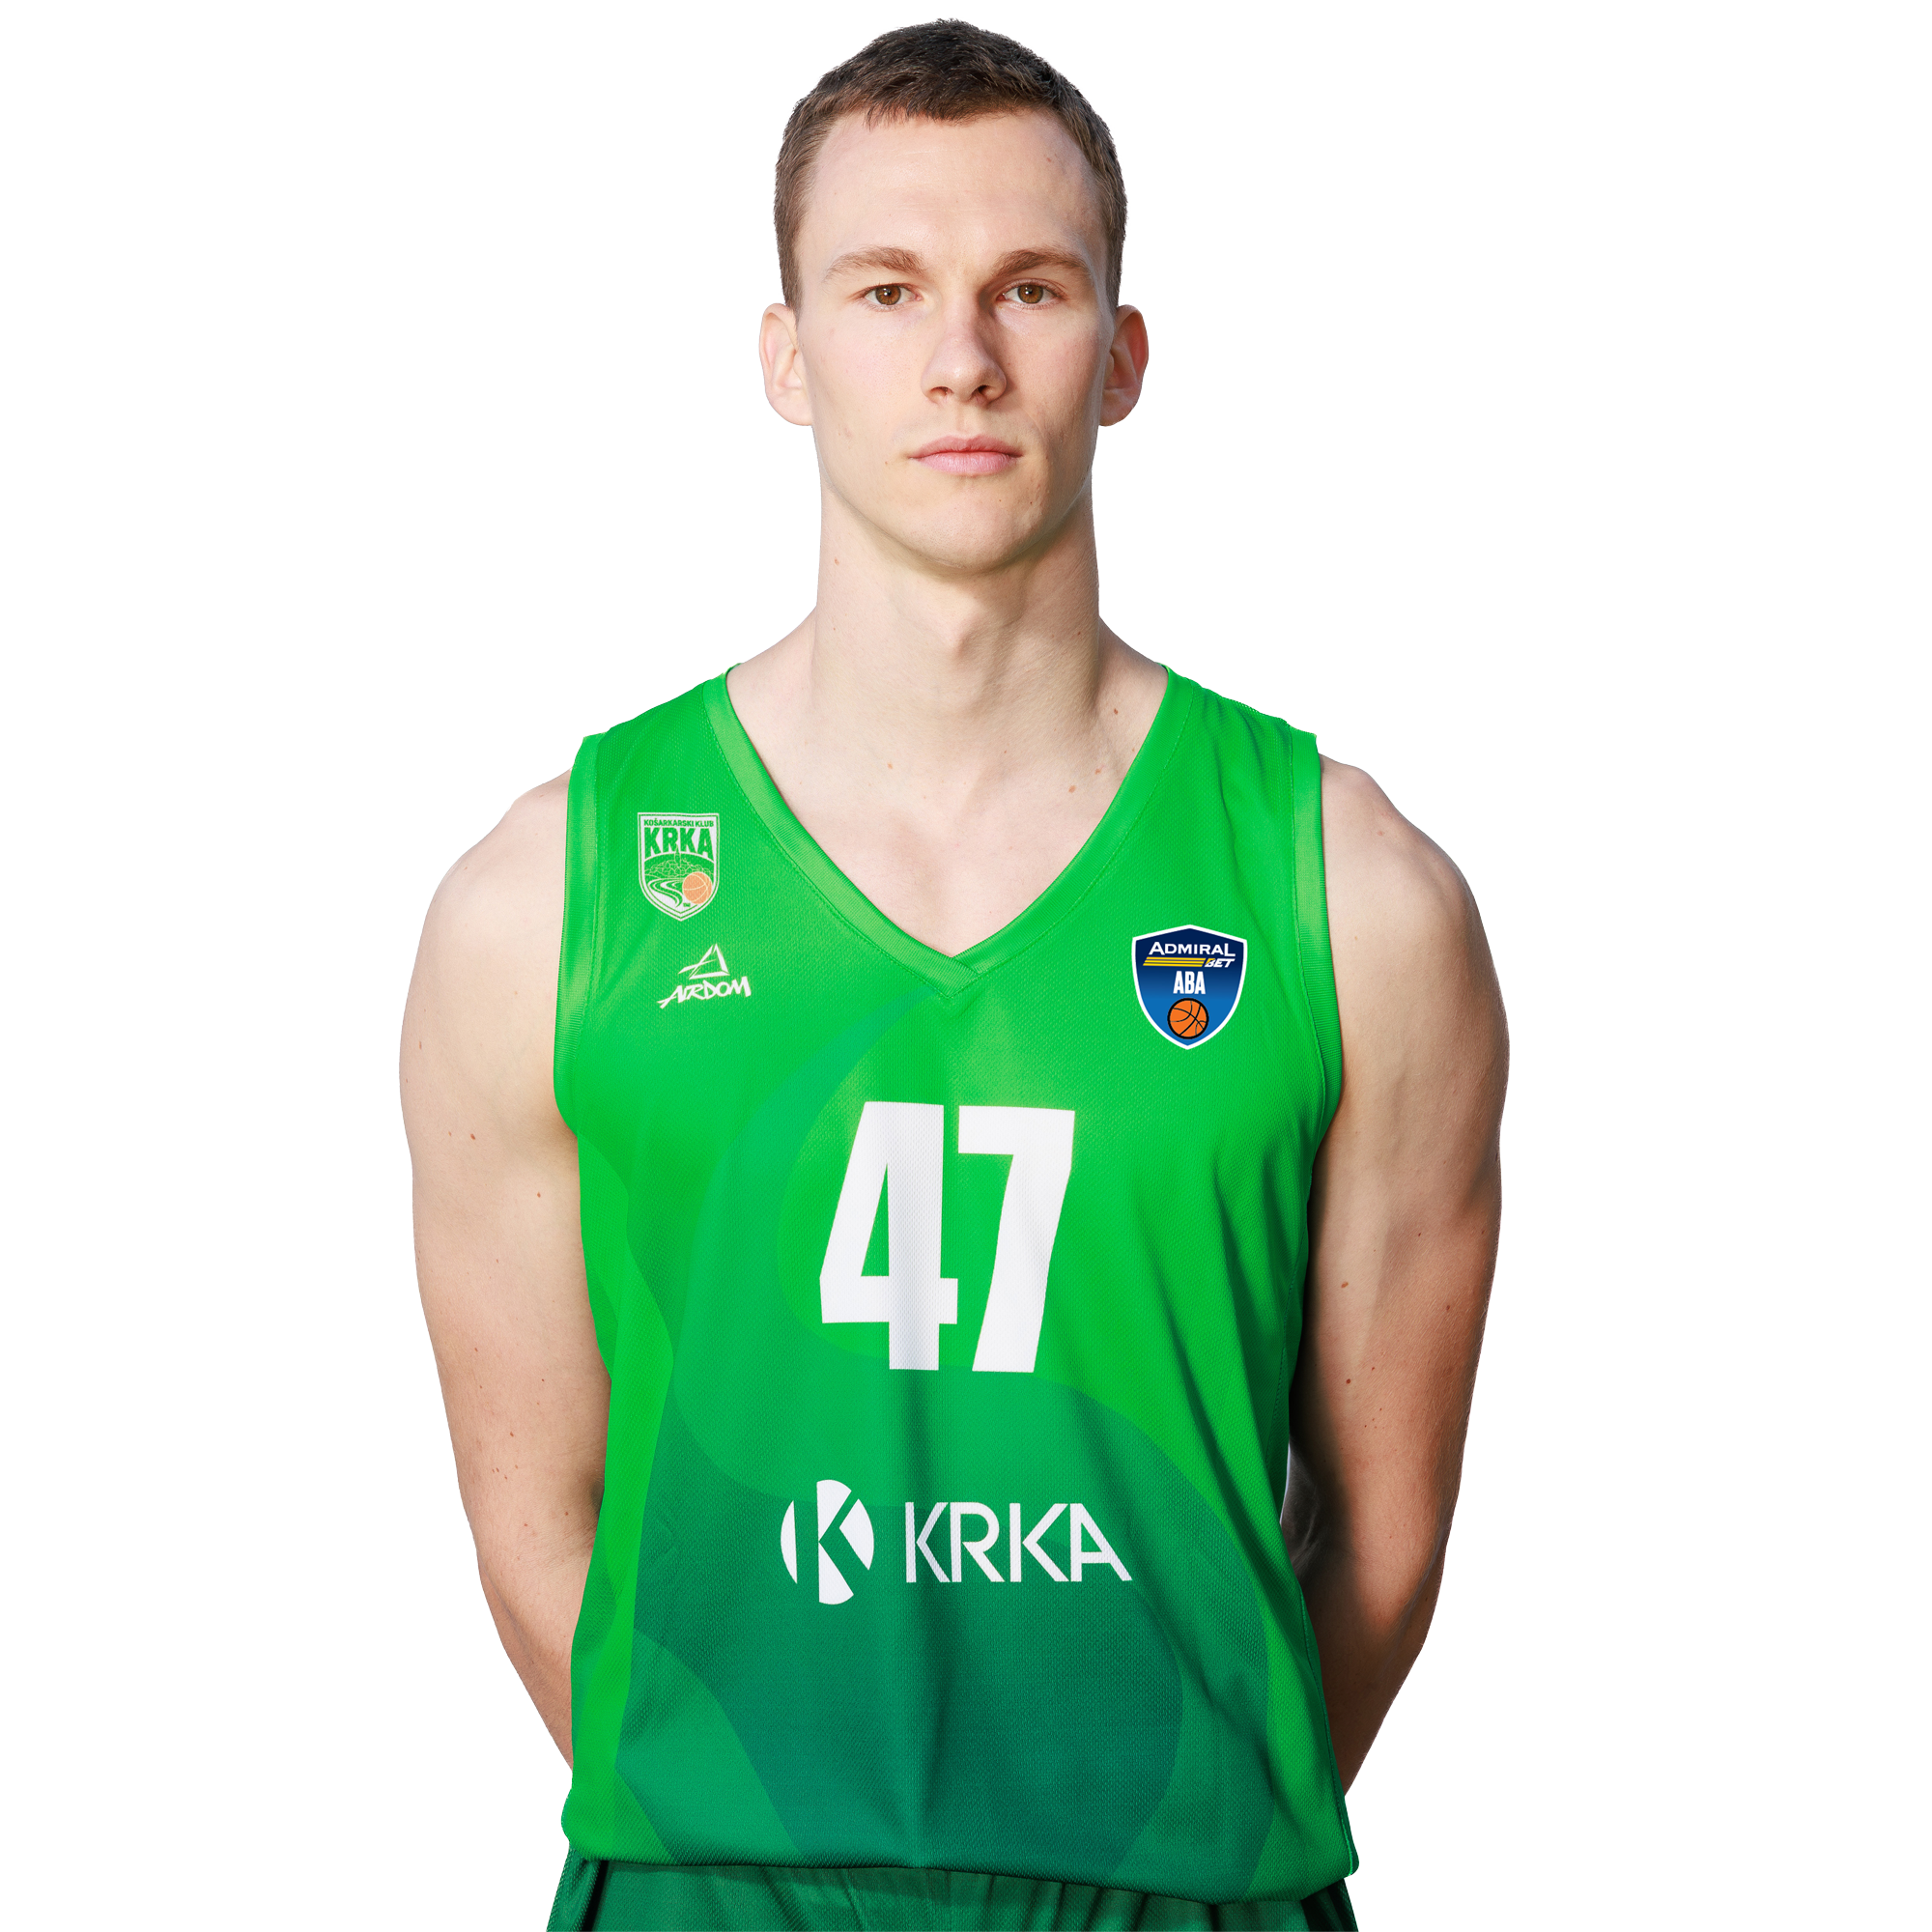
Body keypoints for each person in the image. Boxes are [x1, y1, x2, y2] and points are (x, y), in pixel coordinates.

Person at [402, 19, 1507, 1931]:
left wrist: (1148, 1831)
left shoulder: (1353, 897)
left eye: (1031, 289)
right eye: (887, 288)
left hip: (1179, 1892)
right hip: (720, 1892)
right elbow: (534, 1531)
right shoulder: (543, 903)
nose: (962, 359)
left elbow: (1384, 1545)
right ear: (785, 352)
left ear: (1123, 353)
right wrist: (776, 1823)